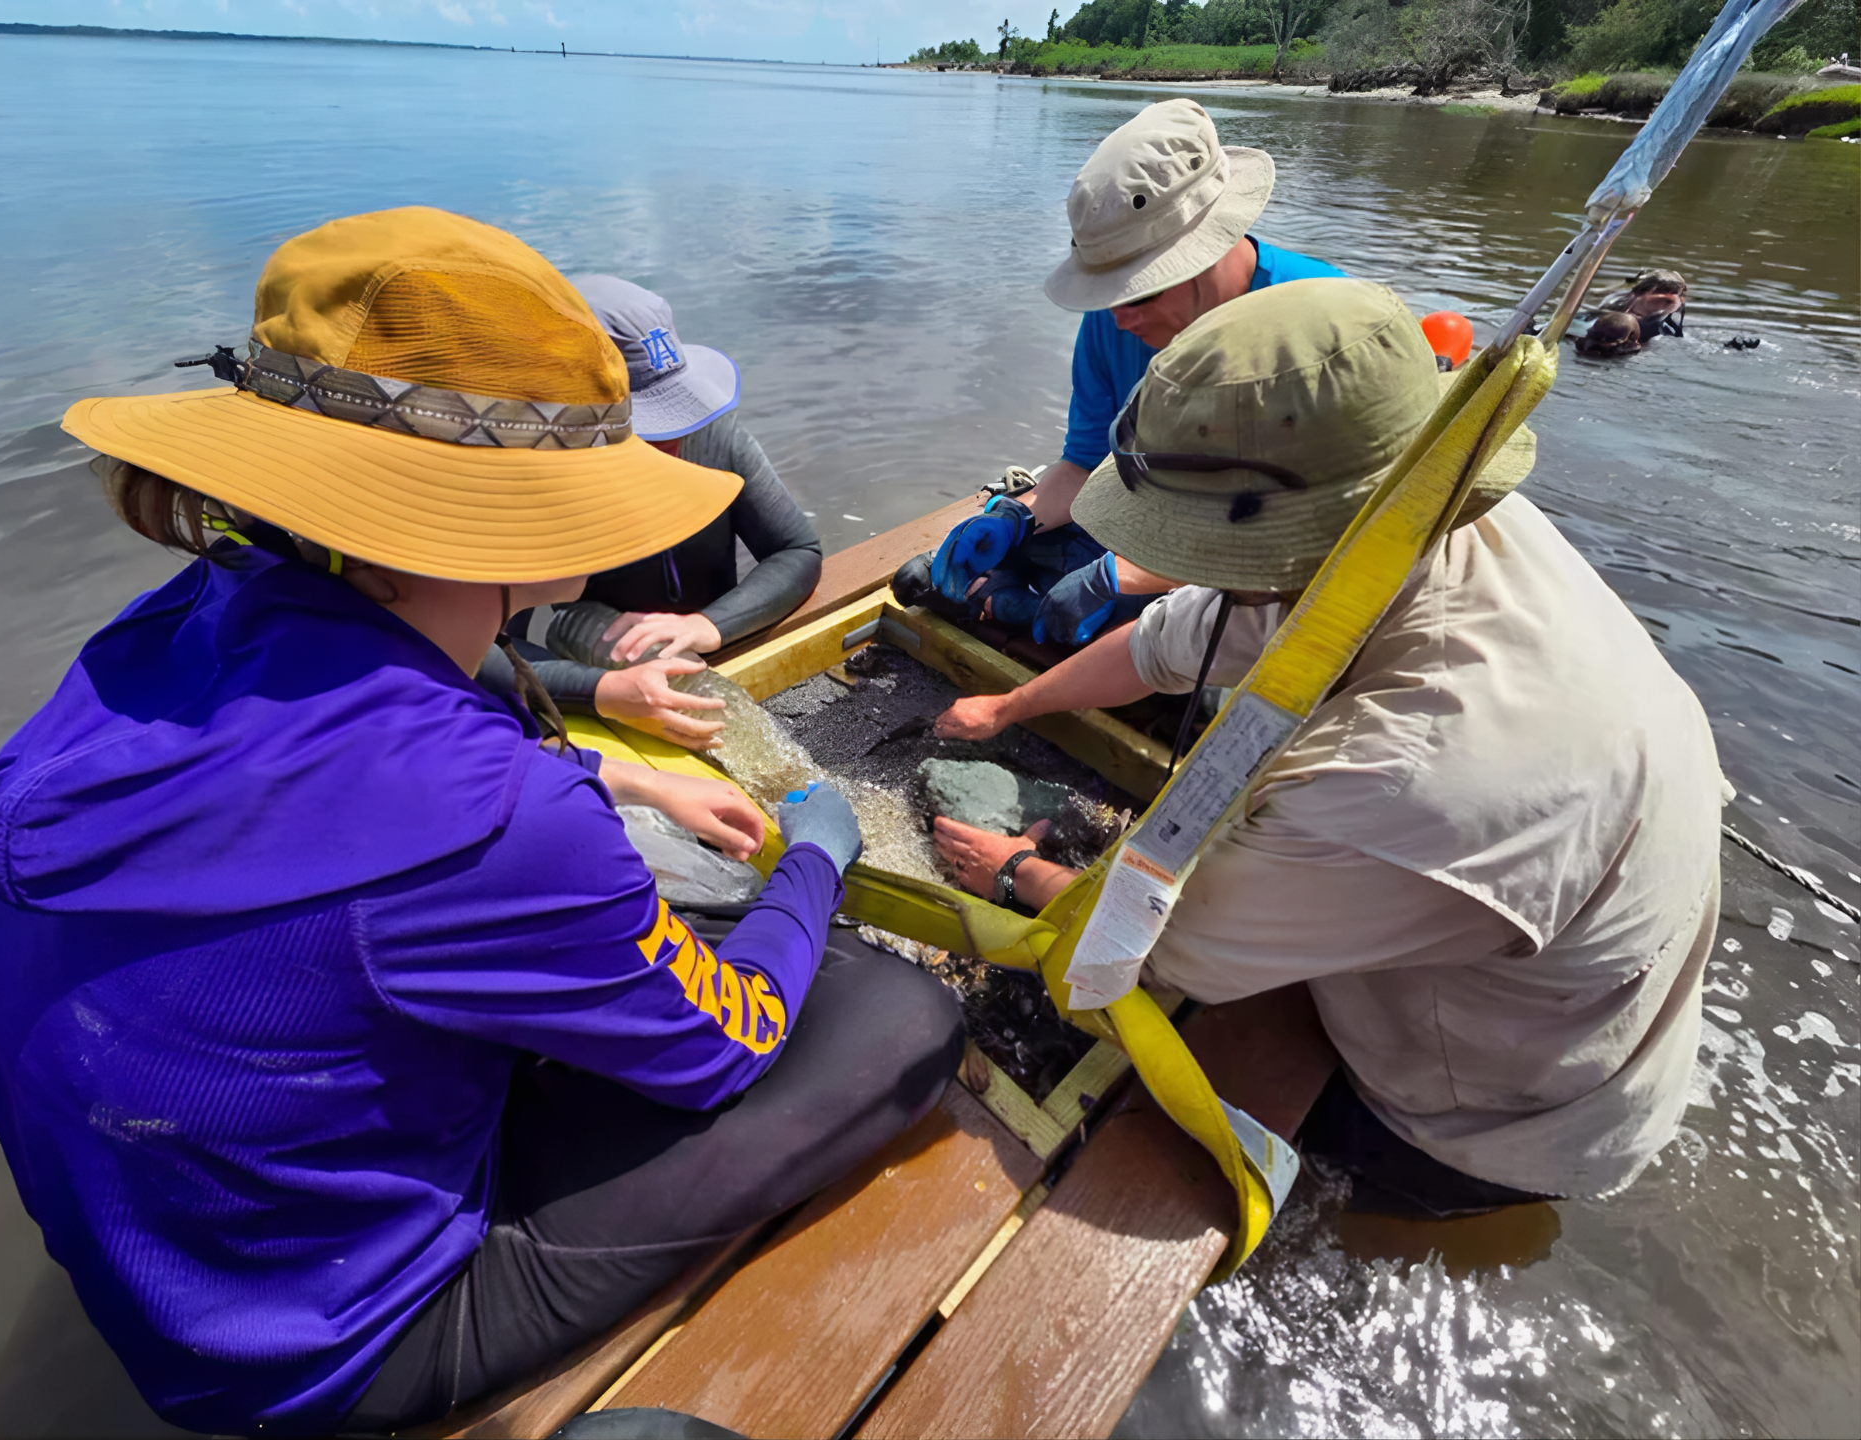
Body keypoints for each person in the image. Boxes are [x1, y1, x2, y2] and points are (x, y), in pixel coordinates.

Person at [0, 207, 963, 1437]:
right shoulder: (500, 817)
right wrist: (815, 856)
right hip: (332, 1348)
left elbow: (333, 795)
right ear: (522, 523)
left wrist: (628, 782)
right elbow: (728, 1038)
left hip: (173, 1268)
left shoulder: (164, 629)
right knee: (896, 1018)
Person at [932, 278, 1725, 1218]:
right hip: (1533, 950)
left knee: (1317, 1188)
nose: (1177, 563)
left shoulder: (1416, 772)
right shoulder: (1410, 521)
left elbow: (1155, 953)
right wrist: (1011, 706)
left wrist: (1015, 869)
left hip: (1498, 1116)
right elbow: (1168, 643)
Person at [898, 97, 1344, 648]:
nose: (1119, 318)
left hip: (1262, 556)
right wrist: (1017, 518)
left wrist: (1125, 578)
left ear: (1209, 245)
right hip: (1147, 518)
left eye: (1138, 290)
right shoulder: (1115, 322)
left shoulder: (1327, 325)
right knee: (985, 563)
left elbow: (1319, 536)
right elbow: (1085, 464)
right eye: (1107, 293)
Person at [480, 275, 823, 751]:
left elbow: (796, 550)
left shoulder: (713, 436)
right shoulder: (527, 485)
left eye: (678, 410)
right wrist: (599, 689)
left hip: (710, 648)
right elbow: (482, 645)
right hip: (594, 654)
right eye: (648, 422)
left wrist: (708, 624)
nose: (674, 437)